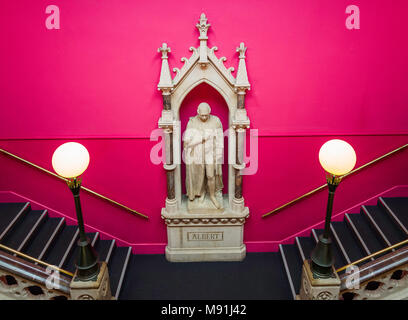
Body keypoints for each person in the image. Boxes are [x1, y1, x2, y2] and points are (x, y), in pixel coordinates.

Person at [183, 102, 224, 209]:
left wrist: (219, 154)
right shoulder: (192, 122)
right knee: (200, 175)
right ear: (198, 112)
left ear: (209, 112)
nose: (205, 117)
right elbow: (186, 143)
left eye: (206, 115)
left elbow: (220, 139)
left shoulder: (216, 121)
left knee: (211, 175)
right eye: (202, 115)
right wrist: (201, 138)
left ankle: (212, 195)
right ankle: (202, 192)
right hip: (197, 154)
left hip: (211, 153)